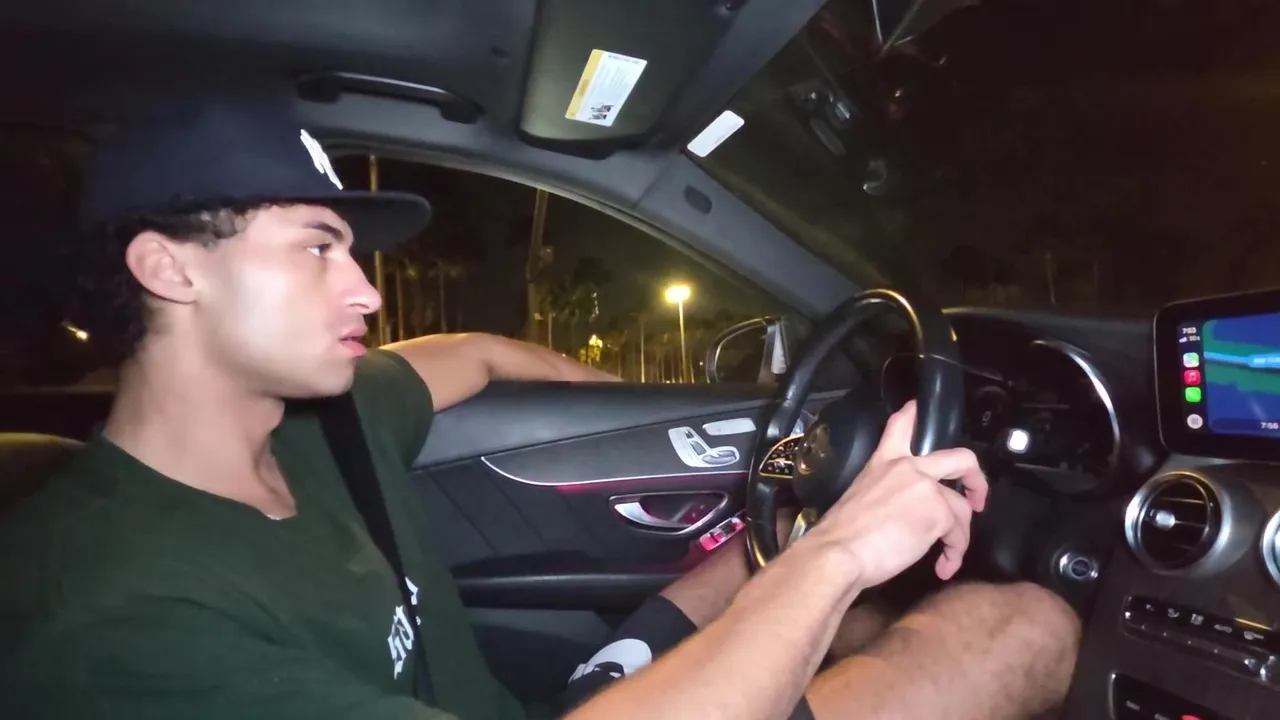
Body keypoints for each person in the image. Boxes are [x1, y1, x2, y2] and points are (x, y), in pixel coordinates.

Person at [0, 98, 1080, 719]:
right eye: (319, 248)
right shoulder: (112, 616)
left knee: (833, 586)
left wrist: (655, 406)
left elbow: (474, 355)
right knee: (1017, 628)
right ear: (169, 268)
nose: (366, 291)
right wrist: (838, 551)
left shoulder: (327, 422)